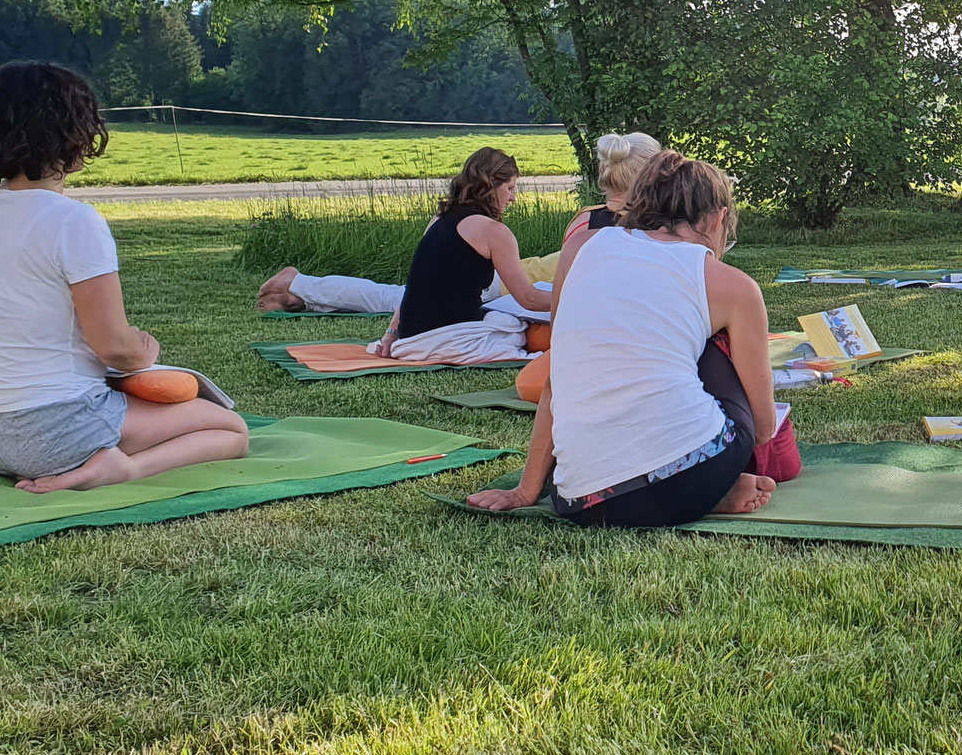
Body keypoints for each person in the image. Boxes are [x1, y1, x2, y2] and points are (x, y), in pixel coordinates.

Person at [0, 62, 250, 493]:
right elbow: (113, 347)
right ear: (76, 133)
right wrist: (143, 352)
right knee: (231, 429)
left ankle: (91, 455)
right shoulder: (75, 221)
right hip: (59, 430)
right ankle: (121, 468)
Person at [468, 151, 778, 524]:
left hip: (581, 500)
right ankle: (713, 488)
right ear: (718, 219)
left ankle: (704, 489)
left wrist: (525, 491)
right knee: (713, 342)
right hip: (691, 475)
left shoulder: (578, 248)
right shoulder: (732, 285)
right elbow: (761, 428)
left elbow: (559, 377)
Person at [256, 131, 662, 313]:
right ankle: (299, 283)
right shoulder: (608, 225)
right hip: (507, 286)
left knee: (394, 299)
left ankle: (300, 292)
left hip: (515, 283)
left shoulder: (598, 218)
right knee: (395, 300)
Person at [370, 147, 550, 360]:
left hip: (411, 337)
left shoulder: (439, 220)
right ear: (492, 184)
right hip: (449, 337)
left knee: (502, 318)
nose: (513, 198)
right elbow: (528, 299)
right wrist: (574, 297)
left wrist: (393, 332)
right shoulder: (495, 232)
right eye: (510, 188)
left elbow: (415, 285)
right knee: (515, 330)